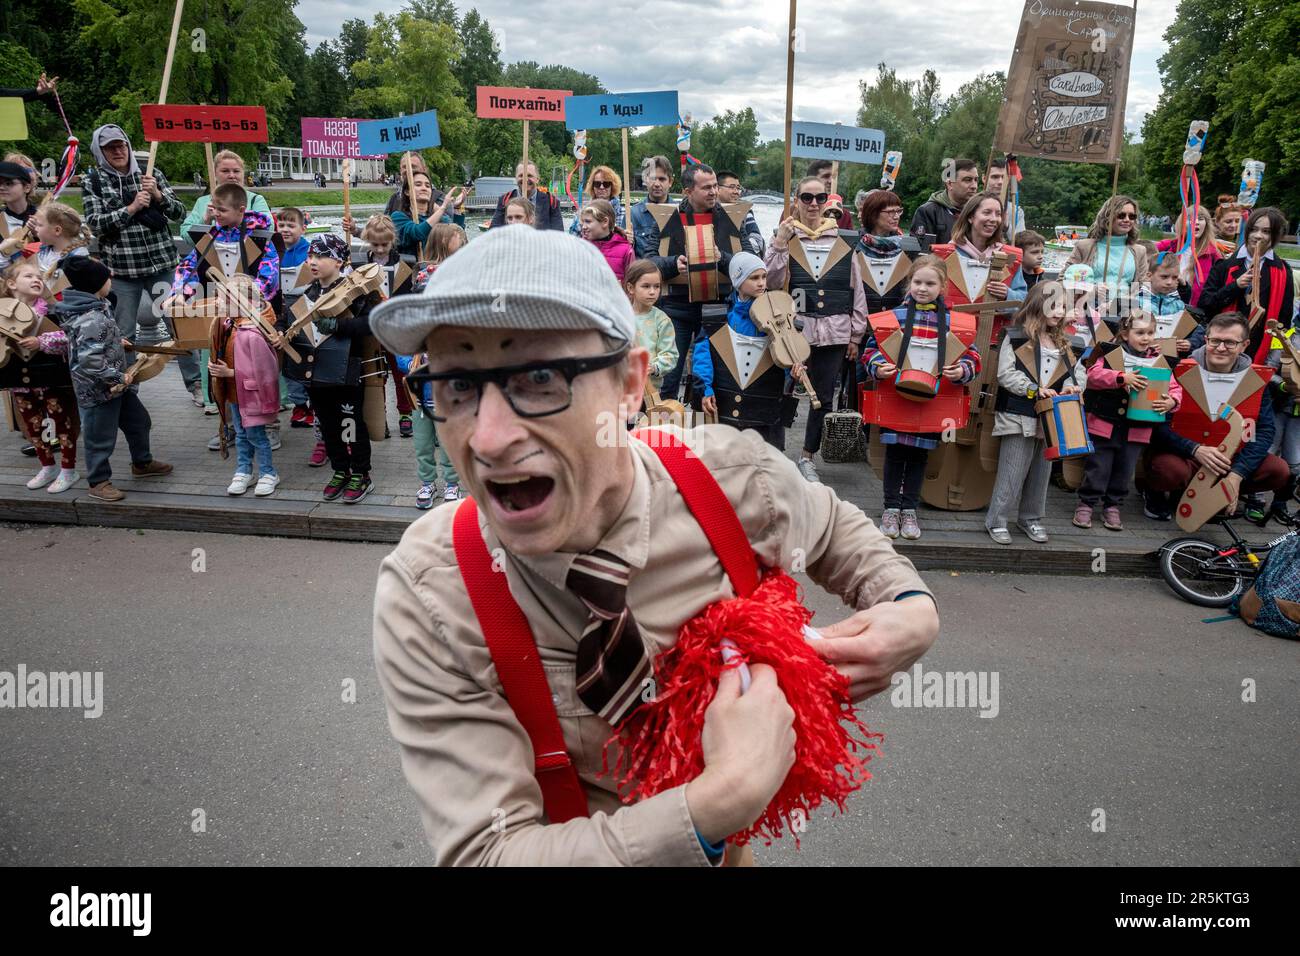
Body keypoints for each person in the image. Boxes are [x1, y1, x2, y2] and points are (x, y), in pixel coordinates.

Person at [366, 224, 939, 866]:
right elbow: (487, 855)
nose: (489, 439)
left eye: (539, 378)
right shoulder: (433, 590)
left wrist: (910, 605)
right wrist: (719, 803)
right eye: (458, 386)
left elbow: (831, 525)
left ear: (630, 385)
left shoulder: (727, 476)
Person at [861, 255, 980, 540]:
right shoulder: (894, 318)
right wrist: (878, 365)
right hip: (897, 397)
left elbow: (973, 356)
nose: (922, 288)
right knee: (895, 455)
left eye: (930, 283)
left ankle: (909, 509)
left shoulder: (955, 323)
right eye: (917, 282)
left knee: (918, 456)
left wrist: (962, 370)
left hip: (932, 402)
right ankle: (891, 508)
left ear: (942, 287)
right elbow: (870, 349)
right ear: (909, 283)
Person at [80, 124, 200, 400]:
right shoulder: (94, 182)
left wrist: (158, 195)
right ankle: (125, 386)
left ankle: (196, 386)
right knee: (122, 334)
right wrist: (131, 209)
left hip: (163, 266)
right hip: (123, 271)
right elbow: (96, 225)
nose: (118, 151)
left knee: (181, 325)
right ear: (101, 152)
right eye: (111, 147)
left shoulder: (151, 174)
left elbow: (180, 213)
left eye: (121, 145)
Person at [765, 175, 868, 481]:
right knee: (782, 392)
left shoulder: (843, 243)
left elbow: (856, 291)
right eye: (806, 197)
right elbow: (769, 282)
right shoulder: (785, 239)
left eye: (820, 198)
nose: (813, 204)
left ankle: (807, 455)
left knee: (822, 396)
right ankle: (774, 452)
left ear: (828, 203)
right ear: (796, 200)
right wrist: (780, 243)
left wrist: (856, 335)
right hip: (794, 332)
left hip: (834, 332)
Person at [1145, 312, 1289, 520]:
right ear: (1206, 340)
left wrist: (1237, 474)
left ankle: (1219, 494)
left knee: (1278, 469)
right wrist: (1195, 449)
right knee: (1168, 470)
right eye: (1215, 341)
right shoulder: (1178, 370)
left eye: (1230, 343)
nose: (1221, 348)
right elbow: (1158, 425)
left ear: (1244, 345)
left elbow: (1265, 430)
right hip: (1185, 454)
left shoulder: (1256, 380)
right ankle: (1164, 493)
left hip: (1228, 458)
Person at [55, 256, 172, 501]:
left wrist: (117, 341)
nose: (111, 280)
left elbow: (95, 340)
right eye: (107, 277)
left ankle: (142, 463)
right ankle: (98, 482)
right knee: (100, 437)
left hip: (118, 386)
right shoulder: (91, 318)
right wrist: (119, 375)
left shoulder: (97, 306)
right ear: (96, 283)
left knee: (139, 422)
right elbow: (90, 362)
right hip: (100, 390)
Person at [985, 282, 1087, 545]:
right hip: (1019, 413)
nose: (1059, 311)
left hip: (1052, 417)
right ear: (1036, 304)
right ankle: (997, 520)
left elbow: (1078, 373)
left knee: (1041, 473)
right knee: (1012, 470)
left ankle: (1030, 518)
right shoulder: (1017, 336)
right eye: (1053, 305)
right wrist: (1033, 389)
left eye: (1063, 306)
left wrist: (1072, 387)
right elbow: (1006, 374)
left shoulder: (1067, 341)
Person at [289, 234, 384, 503]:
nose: (312, 262)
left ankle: (361, 474)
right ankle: (340, 470)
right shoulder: (308, 293)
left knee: (350, 423)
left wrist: (340, 326)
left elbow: (373, 323)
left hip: (348, 370)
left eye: (320, 256)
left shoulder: (358, 290)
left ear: (340, 261)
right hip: (316, 371)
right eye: (310, 256)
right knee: (329, 425)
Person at [1073, 312, 1182, 531]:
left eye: (1150, 332)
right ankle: (1087, 503)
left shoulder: (1159, 361)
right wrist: (1121, 377)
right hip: (1105, 423)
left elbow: (1175, 387)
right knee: (1098, 467)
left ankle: (1113, 505)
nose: (1146, 337)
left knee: (1125, 469)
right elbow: (1093, 375)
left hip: (1138, 429)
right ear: (1125, 333)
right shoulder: (1112, 353)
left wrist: (1172, 401)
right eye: (1140, 332)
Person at [648, 163, 744, 399]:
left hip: (718, 305)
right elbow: (648, 260)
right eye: (706, 187)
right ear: (688, 191)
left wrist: (722, 259)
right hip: (676, 307)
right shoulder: (667, 217)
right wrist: (672, 263)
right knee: (669, 376)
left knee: (713, 378)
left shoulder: (732, 216)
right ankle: (667, 430)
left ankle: (709, 431)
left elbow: (748, 263)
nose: (713, 191)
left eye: (714, 186)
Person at [690, 253, 795, 448]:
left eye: (764, 277)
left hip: (763, 409)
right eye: (754, 278)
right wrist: (705, 388)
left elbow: (786, 358)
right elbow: (703, 356)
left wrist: (793, 372)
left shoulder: (778, 318)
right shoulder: (719, 317)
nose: (762, 283)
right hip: (725, 404)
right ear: (738, 281)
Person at [399, 222, 467, 509]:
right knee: (423, 438)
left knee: (449, 432)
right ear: (442, 241)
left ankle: (452, 483)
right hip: (424, 365)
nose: (463, 241)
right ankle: (427, 481)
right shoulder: (424, 275)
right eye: (458, 238)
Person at [2, 259, 80, 493]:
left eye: (39, 277)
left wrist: (41, 341)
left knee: (62, 423)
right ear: (11, 284)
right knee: (32, 426)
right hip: (18, 380)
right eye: (28, 276)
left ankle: (68, 470)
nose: (36, 279)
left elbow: (70, 338)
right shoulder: (2, 311)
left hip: (50, 377)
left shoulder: (53, 310)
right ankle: (47, 466)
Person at [206, 275, 285, 497]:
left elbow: (266, 373)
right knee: (241, 434)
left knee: (257, 436)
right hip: (235, 394)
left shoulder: (252, 335)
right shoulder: (230, 326)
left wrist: (229, 372)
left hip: (250, 396)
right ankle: (244, 470)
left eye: (222, 300)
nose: (217, 304)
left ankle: (268, 472)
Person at [1199, 207, 1295, 363]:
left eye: (1266, 231)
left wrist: (1274, 357)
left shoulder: (1282, 271)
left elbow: (1284, 319)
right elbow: (1206, 304)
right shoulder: (1225, 264)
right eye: (1254, 230)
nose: (1258, 236)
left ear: (1275, 235)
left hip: (1259, 348)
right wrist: (1235, 286)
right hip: (1222, 346)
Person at [362, 213, 416, 438]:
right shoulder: (362, 261)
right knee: (376, 375)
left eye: (385, 244)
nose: (381, 249)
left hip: (396, 327)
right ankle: (379, 416)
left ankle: (405, 413)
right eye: (376, 244)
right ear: (368, 241)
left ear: (392, 240)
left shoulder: (404, 263)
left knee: (399, 371)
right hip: (371, 328)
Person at [933, 192, 1028, 306]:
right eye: (987, 213)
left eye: (998, 214)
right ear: (970, 217)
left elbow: (1024, 299)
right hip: (953, 323)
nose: (994, 219)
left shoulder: (1011, 258)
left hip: (996, 323)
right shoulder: (944, 255)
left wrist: (1008, 295)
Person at [1066, 195, 1149, 316]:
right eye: (1121, 215)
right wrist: (1091, 290)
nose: (1127, 220)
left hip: (1124, 314)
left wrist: (1118, 304)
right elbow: (1063, 280)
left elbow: (1143, 288)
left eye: (1132, 216)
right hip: (1088, 312)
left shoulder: (1140, 251)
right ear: (1107, 217)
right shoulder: (1084, 247)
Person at [277, 207, 314, 430]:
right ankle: (299, 403)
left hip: (302, 309)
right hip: (282, 311)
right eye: (281, 225)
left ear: (303, 228)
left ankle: (310, 405)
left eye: (291, 225)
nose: (285, 230)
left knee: (305, 357)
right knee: (287, 362)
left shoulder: (309, 251)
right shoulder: (274, 250)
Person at [180, 150, 271, 236]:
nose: (231, 176)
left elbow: (269, 228)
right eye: (225, 171)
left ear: (243, 174)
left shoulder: (255, 200)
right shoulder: (203, 202)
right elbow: (185, 233)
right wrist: (205, 220)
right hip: (212, 252)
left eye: (236, 171)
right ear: (215, 174)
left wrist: (236, 218)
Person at [857, 189, 915, 315]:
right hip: (860, 323)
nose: (896, 216)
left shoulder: (909, 248)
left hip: (897, 323)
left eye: (898, 211)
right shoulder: (853, 247)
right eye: (890, 212)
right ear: (873, 214)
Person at [1265, 323, 1300, 523]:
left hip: (1298, 415)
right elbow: (1269, 369)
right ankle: (1256, 500)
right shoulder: (1285, 335)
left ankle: (1280, 502)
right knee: (1267, 453)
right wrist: (1285, 386)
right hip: (1278, 406)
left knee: (1294, 464)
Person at [624, 259, 677, 391]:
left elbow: (670, 354)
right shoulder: (620, 317)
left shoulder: (662, 320)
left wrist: (654, 367)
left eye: (657, 286)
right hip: (622, 389)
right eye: (646, 286)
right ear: (631, 288)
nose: (652, 292)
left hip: (650, 390)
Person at [1155, 204, 1221, 308]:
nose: (1196, 222)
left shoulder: (1214, 254)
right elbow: (1141, 252)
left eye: (1201, 218)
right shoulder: (1168, 246)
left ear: (1207, 224)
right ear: (1182, 223)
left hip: (1195, 312)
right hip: (1163, 307)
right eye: (1190, 219)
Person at [910, 158, 979, 251]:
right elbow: (919, 252)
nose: (974, 186)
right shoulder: (928, 212)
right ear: (950, 184)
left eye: (976, 180)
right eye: (967, 180)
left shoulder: (979, 212)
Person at [391, 171, 464, 259]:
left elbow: (457, 235)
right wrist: (443, 207)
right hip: (412, 269)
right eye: (418, 185)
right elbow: (417, 233)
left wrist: (457, 208)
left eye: (427, 186)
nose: (424, 188)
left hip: (436, 268)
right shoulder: (398, 217)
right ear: (407, 192)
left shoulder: (439, 218)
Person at [1139, 251, 1199, 357]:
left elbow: (1198, 330)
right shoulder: (1135, 301)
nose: (1169, 282)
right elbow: (1121, 333)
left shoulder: (1179, 305)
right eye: (1164, 277)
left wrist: (1191, 343)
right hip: (1138, 357)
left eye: (1174, 278)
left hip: (1169, 360)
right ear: (1149, 276)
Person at [488, 162, 563, 231]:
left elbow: (558, 233)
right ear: (516, 178)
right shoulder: (505, 200)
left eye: (529, 175)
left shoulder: (551, 202)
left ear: (537, 179)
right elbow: (493, 231)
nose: (525, 179)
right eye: (521, 175)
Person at [630, 155, 674, 258]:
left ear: (670, 182)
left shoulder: (680, 212)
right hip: (644, 271)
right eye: (653, 178)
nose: (657, 184)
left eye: (662, 179)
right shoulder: (633, 214)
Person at [579, 200, 634, 282]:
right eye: (583, 222)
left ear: (605, 222)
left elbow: (632, 283)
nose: (583, 227)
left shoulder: (626, 251)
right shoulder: (579, 247)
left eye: (588, 222)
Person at [717, 170, 764, 255]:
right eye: (731, 187)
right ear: (717, 188)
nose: (736, 192)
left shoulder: (745, 212)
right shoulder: (708, 210)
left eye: (738, 188)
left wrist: (742, 252)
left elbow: (757, 238)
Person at [0, 159, 39, 263]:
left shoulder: (42, 217)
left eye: (9, 183)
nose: (2, 187)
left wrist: (37, 236)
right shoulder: (1, 218)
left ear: (26, 188)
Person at [568, 165, 625, 235]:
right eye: (597, 184)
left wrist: (632, 239)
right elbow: (573, 239)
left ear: (612, 186)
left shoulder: (624, 213)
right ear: (592, 186)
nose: (601, 187)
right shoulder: (581, 213)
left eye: (606, 184)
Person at [984, 158, 1025, 241]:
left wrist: (1007, 227)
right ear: (984, 178)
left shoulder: (1016, 212)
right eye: (995, 177)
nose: (1000, 182)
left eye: (1004, 177)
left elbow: (1023, 244)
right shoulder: (972, 206)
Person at [807, 160, 853, 229]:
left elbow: (849, 239)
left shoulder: (843, 215)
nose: (831, 181)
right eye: (826, 176)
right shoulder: (795, 210)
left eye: (834, 177)